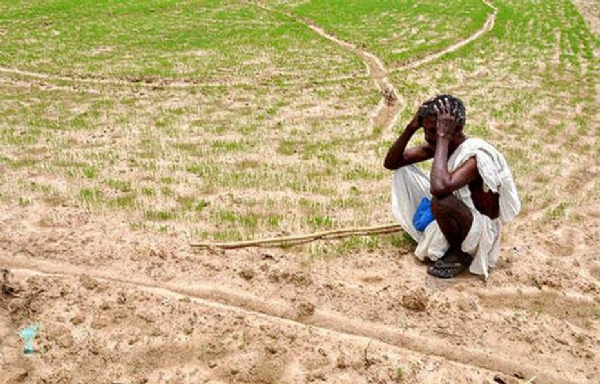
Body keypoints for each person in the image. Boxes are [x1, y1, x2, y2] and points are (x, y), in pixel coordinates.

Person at [383, 95, 520, 278]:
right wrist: (411, 127)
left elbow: (439, 188)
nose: (428, 136)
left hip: (480, 231)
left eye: (434, 131)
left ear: (457, 130)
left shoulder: (474, 156)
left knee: (441, 202)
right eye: (426, 130)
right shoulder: (441, 144)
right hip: (462, 218)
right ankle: (452, 240)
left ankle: (459, 253)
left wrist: (442, 138)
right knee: (404, 171)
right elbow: (392, 162)